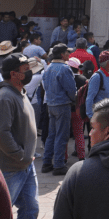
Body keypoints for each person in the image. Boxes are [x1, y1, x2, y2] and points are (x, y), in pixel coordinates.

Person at [0, 54, 49, 219]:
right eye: (26, 68)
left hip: (24, 166)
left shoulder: (18, 93)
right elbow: (0, 134)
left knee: (30, 209)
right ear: (14, 73)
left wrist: (25, 158)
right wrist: (20, 155)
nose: (29, 72)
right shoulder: (5, 97)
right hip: (10, 167)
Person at [43, 43, 78, 176]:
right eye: (67, 53)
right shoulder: (64, 68)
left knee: (51, 135)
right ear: (62, 54)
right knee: (61, 136)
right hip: (62, 105)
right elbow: (71, 89)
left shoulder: (48, 68)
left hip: (51, 104)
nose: (69, 55)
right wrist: (74, 99)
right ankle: (58, 165)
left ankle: (47, 163)